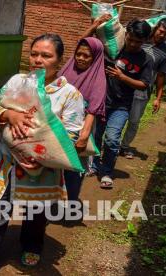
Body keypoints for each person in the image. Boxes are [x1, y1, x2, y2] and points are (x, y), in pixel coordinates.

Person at [0, 34, 85, 274]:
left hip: (42, 168)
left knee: (36, 214)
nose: (38, 60)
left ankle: (32, 245)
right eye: (34, 54)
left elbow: (72, 135)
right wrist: (8, 115)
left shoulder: (69, 94)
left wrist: (39, 153)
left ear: (59, 60)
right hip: (3, 162)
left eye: (46, 55)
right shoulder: (17, 82)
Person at [85, 19, 153, 188]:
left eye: (139, 41)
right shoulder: (113, 48)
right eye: (130, 39)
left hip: (121, 106)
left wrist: (122, 77)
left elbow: (144, 84)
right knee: (97, 136)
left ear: (145, 40)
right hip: (101, 102)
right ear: (126, 34)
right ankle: (94, 166)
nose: (133, 44)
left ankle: (107, 172)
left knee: (112, 139)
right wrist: (95, 26)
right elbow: (83, 44)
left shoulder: (146, 59)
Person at [120, 18, 166, 159]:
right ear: (156, 27)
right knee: (118, 115)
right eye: (161, 31)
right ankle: (112, 143)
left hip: (141, 91)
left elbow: (161, 75)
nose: (162, 35)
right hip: (123, 84)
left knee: (134, 121)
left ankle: (125, 146)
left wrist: (158, 98)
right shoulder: (140, 39)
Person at [58, 37, 107, 204]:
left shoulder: (98, 80)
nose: (80, 58)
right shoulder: (67, 70)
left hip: (80, 129)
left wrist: (84, 136)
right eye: (78, 54)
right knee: (55, 164)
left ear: (95, 57)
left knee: (73, 167)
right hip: (58, 126)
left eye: (86, 56)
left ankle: (71, 202)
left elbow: (92, 111)